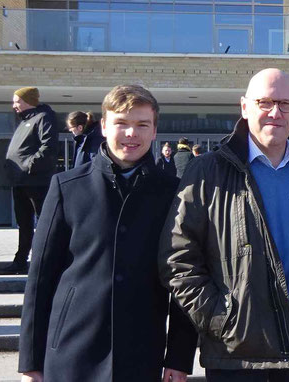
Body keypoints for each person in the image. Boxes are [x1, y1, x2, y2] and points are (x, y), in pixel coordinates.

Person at [158, 68, 289, 382]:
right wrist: (223, 320)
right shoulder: (208, 172)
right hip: (237, 355)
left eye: (285, 104)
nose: (275, 112)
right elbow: (178, 259)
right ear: (244, 107)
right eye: (265, 102)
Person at [18, 85, 197, 382]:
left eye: (142, 125)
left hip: (141, 352)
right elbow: (40, 279)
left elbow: (184, 278)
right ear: (103, 126)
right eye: (121, 123)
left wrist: (179, 357)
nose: (131, 134)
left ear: (154, 130)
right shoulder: (67, 187)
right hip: (70, 351)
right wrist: (30, 362)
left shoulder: (174, 193)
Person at [0, 87, 58, 275]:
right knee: (24, 224)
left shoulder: (43, 117)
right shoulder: (26, 120)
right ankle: (20, 262)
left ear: (28, 100)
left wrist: (29, 166)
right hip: (20, 181)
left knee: (43, 223)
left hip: (35, 181)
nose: (14, 105)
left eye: (17, 101)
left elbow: (48, 146)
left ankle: (45, 261)